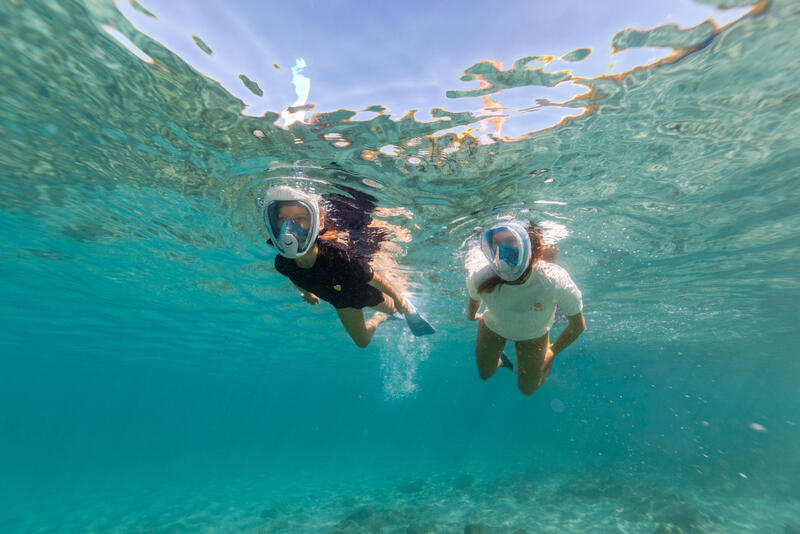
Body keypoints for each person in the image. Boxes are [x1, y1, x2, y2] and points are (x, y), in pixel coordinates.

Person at [264, 185, 433, 348]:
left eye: (300, 219)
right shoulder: (282, 263)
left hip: (365, 293)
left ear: (316, 223)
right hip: (342, 302)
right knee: (362, 342)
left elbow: (376, 279)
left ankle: (405, 305)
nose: (289, 228)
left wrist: (398, 298)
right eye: (282, 220)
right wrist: (308, 293)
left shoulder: (340, 255)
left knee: (398, 311)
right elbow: (295, 277)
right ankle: (380, 317)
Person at [466, 220, 585, 396]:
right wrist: (471, 315)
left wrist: (552, 351)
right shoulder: (481, 276)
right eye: (496, 243)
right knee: (485, 374)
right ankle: (502, 362)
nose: (502, 250)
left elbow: (578, 326)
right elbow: (474, 298)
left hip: (533, 336)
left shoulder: (554, 281)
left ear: (534, 251)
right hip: (493, 328)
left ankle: (532, 362)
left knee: (528, 390)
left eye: (510, 241)